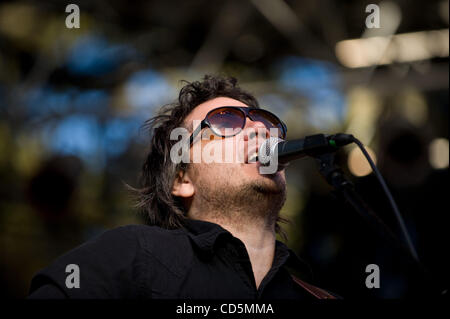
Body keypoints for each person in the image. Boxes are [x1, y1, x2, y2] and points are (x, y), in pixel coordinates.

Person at [28, 75, 337, 299]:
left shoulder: (315, 295)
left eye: (265, 122)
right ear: (182, 180)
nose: (259, 130)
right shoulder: (133, 256)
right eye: (226, 121)